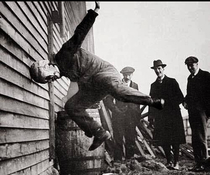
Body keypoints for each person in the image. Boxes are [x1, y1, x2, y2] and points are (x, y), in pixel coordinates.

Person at [29, 1, 164, 152]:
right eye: (48, 81)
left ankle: (152, 101)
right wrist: (86, 122)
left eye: (48, 77)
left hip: (103, 72)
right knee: (71, 106)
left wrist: (94, 12)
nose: (52, 80)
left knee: (116, 90)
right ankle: (99, 133)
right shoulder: (60, 70)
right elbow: (78, 79)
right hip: (91, 84)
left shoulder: (65, 53)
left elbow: (80, 33)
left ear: (48, 65)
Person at [148, 60, 186, 170]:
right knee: (164, 139)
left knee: (175, 140)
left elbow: (180, 98)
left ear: (163, 69)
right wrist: (151, 118)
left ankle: (176, 162)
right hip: (161, 116)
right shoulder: (153, 85)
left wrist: (166, 101)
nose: (157, 71)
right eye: (156, 69)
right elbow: (151, 102)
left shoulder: (172, 82)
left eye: (159, 68)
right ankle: (169, 161)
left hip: (173, 115)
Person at [103, 66, 141, 161]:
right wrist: (115, 109)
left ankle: (130, 160)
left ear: (132, 75)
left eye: (129, 74)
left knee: (130, 137)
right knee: (118, 138)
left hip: (131, 117)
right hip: (119, 116)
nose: (127, 77)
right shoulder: (117, 85)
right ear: (122, 75)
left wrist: (136, 113)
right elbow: (108, 99)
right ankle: (118, 161)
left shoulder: (135, 85)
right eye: (125, 74)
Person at [183, 56, 210, 172]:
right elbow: (189, 94)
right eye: (188, 66)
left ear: (197, 64)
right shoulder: (190, 78)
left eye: (192, 65)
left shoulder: (206, 76)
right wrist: (185, 101)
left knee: (201, 137)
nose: (190, 68)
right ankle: (198, 163)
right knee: (195, 138)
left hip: (202, 112)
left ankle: (204, 163)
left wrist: (206, 111)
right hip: (192, 112)